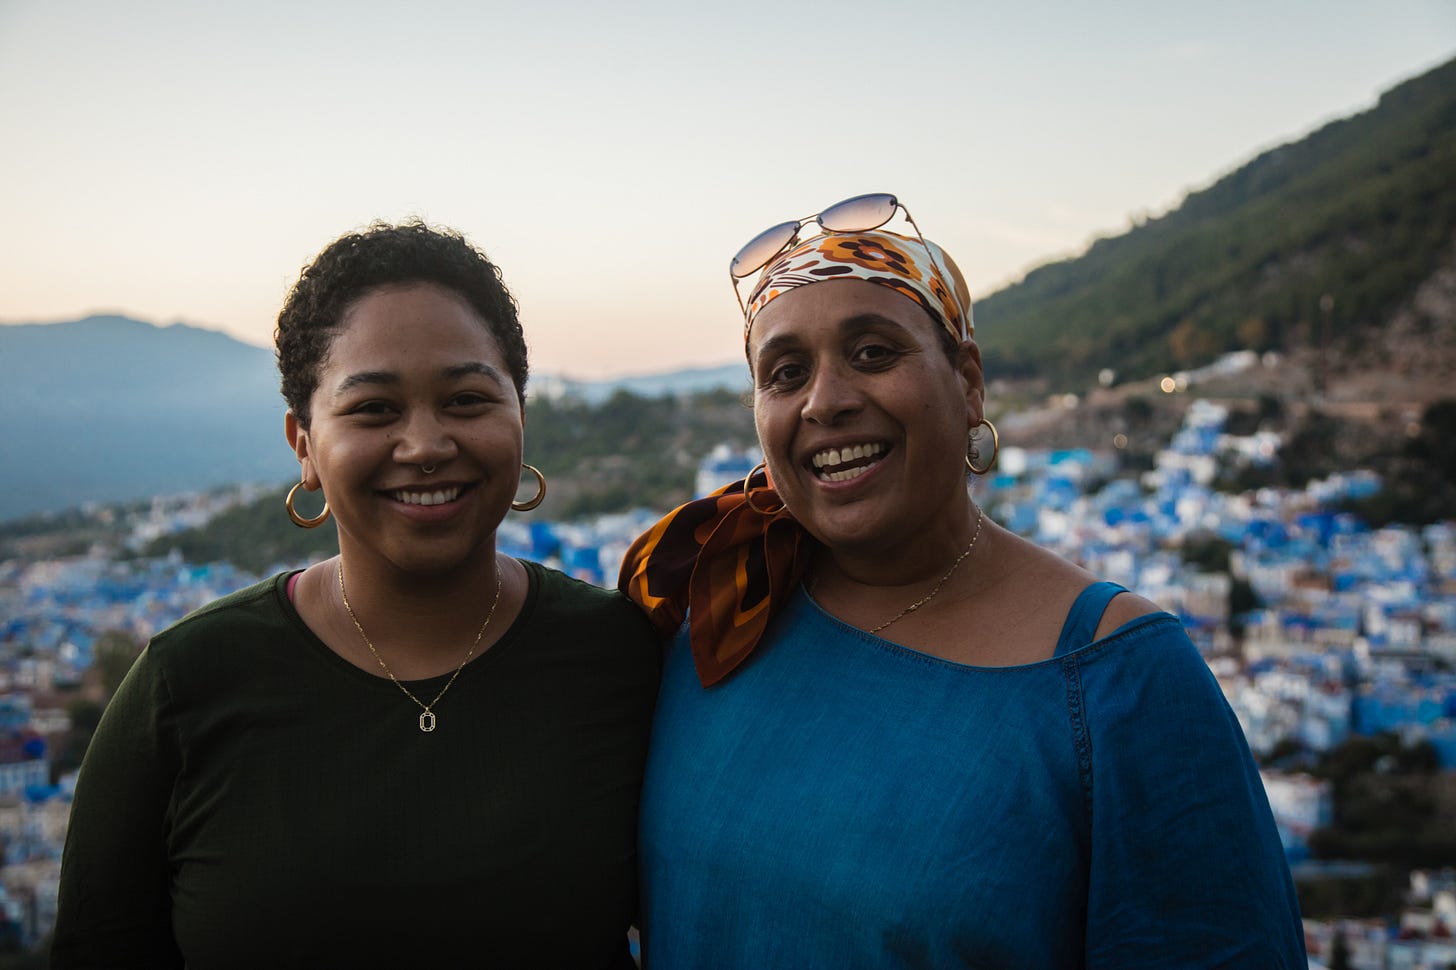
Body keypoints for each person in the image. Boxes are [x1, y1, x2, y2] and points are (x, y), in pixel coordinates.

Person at [620, 193, 1307, 967]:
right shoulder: (715, 615)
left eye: (874, 353)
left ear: (968, 381)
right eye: (785, 373)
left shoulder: (1122, 681)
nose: (826, 400)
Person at [53, 221, 661, 968]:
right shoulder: (184, 690)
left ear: (521, 419)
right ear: (303, 444)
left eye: (468, 399)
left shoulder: (622, 656)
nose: (427, 445)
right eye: (374, 409)